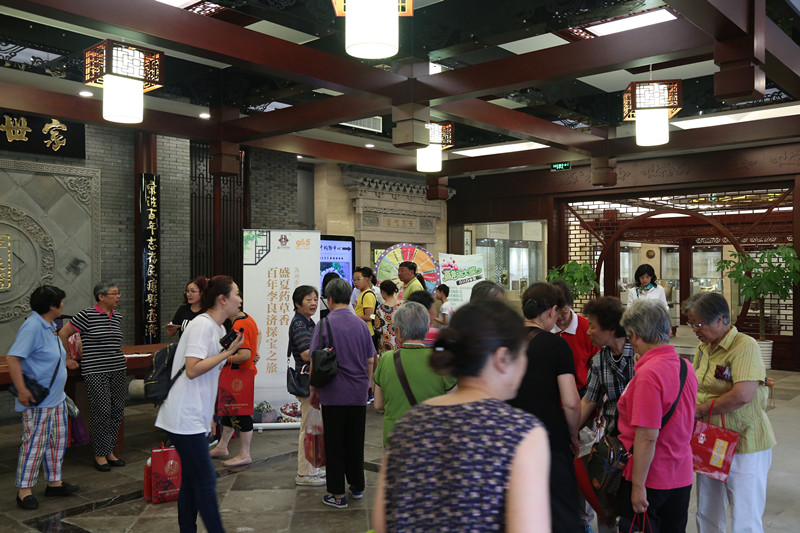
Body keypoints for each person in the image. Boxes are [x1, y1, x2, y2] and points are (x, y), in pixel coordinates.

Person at [372, 300, 551, 533]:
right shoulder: (520, 432)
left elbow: (381, 522)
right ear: (501, 357)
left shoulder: (410, 423)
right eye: (522, 354)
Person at [155, 275, 245, 533]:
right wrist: (228, 353)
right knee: (205, 480)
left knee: (193, 481)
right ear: (222, 299)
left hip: (194, 414)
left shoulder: (217, 329)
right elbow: (193, 369)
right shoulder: (202, 325)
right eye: (236, 294)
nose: (239, 299)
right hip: (184, 415)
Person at [683, 292, 775, 533]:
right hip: (711, 440)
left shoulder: (745, 346)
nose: (695, 329)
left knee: (745, 515)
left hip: (745, 442)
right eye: (692, 324)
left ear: (720, 320)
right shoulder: (703, 347)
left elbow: (742, 395)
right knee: (707, 510)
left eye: (698, 324)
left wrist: (700, 410)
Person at [617, 299, 698, 533]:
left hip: (651, 477)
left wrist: (638, 486)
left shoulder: (649, 375)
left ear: (635, 336)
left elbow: (647, 437)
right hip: (681, 472)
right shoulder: (685, 366)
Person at [509, 282, 581, 533]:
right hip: (548, 439)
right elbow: (571, 402)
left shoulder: (504, 342)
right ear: (551, 311)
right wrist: (572, 434)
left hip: (509, 440)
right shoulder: (556, 345)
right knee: (557, 514)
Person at [9, 286, 80, 510]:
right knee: (34, 444)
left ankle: (54, 483)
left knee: (56, 441)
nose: (62, 305)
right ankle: (24, 490)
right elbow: (13, 358)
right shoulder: (32, 326)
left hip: (56, 398)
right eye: (60, 302)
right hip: (38, 400)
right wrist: (22, 390)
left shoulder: (49, 326)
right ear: (52, 306)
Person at [309, 278, 375, 509]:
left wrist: (314, 391)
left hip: (333, 392)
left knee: (334, 443)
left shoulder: (324, 324)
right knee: (356, 441)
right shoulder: (360, 325)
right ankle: (357, 486)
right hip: (358, 392)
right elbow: (370, 359)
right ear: (349, 298)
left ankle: (337, 495)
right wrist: (368, 384)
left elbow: (316, 362)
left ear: (329, 299)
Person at [580, 296, 636, 533]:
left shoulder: (639, 353)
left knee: (636, 506)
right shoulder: (599, 359)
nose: (589, 331)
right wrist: (569, 431)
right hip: (614, 443)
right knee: (607, 504)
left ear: (611, 329)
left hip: (643, 439)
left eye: (592, 325)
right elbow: (589, 400)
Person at [58, 281, 126, 472]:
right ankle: (99, 454)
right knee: (102, 410)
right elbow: (63, 333)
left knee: (117, 410)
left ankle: (110, 451)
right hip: (95, 370)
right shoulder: (87, 314)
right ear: (101, 297)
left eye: (118, 293)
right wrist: (68, 358)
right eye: (114, 293)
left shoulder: (117, 316)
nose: (118, 296)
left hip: (117, 368)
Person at [372, 302, 457, 446]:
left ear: (398, 331)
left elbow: (378, 404)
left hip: (395, 440)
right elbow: (454, 405)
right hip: (432, 441)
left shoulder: (386, 359)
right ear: (426, 328)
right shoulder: (441, 361)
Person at [209, 308, 260, 467]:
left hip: (238, 376)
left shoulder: (238, 324)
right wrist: (255, 352)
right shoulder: (248, 317)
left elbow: (243, 355)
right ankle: (222, 446)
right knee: (229, 410)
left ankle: (244, 454)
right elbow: (259, 333)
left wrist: (222, 357)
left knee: (241, 413)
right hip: (241, 374)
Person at [287, 285, 325, 487]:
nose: (313, 303)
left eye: (315, 299)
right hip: (307, 381)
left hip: (313, 379)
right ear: (297, 303)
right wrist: (327, 352)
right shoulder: (300, 324)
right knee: (309, 427)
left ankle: (314, 468)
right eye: (308, 299)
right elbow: (305, 354)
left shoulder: (309, 322)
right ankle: (304, 473)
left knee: (314, 426)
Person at [551, 278, 599, 395]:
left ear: (570, 305)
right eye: (554, 311)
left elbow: (597, 365)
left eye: (563, 311)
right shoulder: (545, 330)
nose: (559, 316)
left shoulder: (587, 327)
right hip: (552, 393)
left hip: (582, 392)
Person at [374, 280, 401, 354]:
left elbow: (378, 328)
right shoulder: (402, 305)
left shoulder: (380, 308)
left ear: (383, 292)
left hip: (386, 343)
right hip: (400, 341)